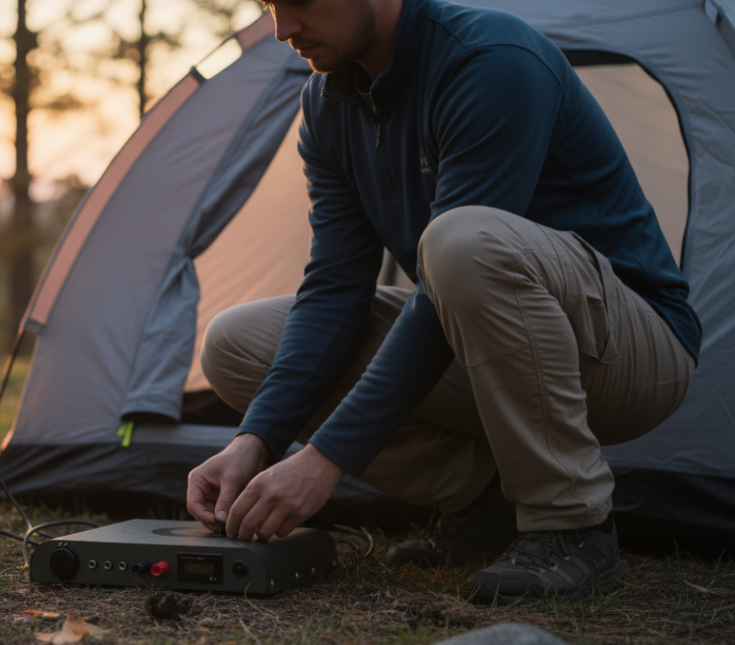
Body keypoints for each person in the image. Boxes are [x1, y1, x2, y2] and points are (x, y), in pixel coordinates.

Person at [185, 0, 700, 604]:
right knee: (235, 345)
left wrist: (323, 460)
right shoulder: (327, 105)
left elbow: (454, 273)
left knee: (461, 241)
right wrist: (256, 440)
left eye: (300, 2)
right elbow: (334, 289)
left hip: (631, 352)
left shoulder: (491, 60)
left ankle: (571, 525)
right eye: (272, 5)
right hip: (487, 341)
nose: (282, 30)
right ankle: (483, 504)